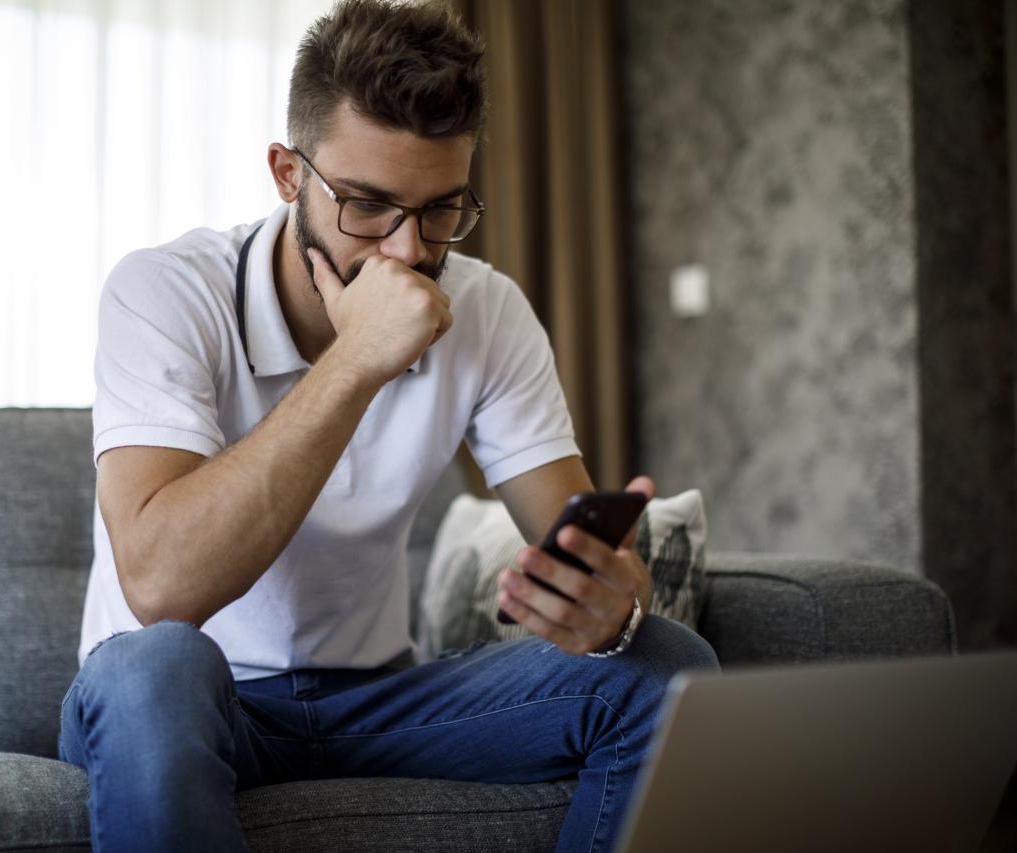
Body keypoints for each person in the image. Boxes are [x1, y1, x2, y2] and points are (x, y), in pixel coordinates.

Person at [58, 1, 719, 850]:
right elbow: (159, 588)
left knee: (668, 665)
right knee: (157, 664)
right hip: (183, 700)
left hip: (375, 702)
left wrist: (612, 606)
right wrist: (356, 359)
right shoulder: (163, 293)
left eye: (441, 210)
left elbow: (578, 543)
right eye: (367, 206)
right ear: (288, 175)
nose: (406, 252)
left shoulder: (489, 310)